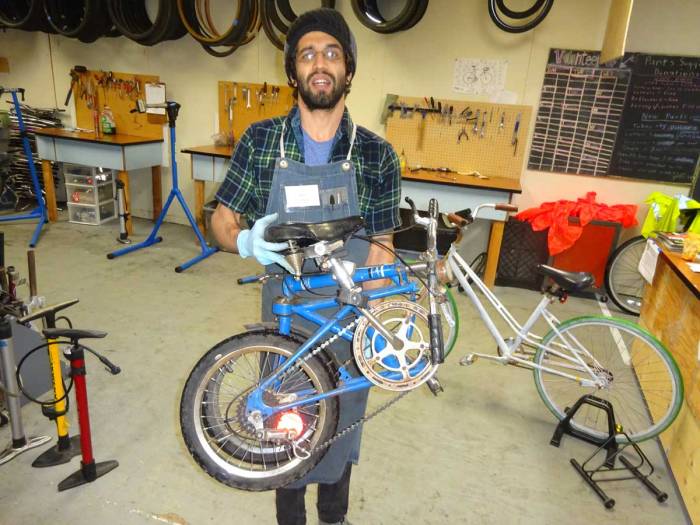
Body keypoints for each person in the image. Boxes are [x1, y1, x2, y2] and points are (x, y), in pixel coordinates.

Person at [210, 8, 401, 525]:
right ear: (293, 72)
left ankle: (333, 517)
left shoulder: (377, 154)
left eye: (333, 53)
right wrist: (244, 240)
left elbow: (382, 244)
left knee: (342, 421)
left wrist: (376, 312)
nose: (320, 63)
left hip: (349, 310)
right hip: (287, 312)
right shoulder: (260, 141)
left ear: (348, 70)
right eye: (308, 54)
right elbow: (222, 220)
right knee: (284, 421)